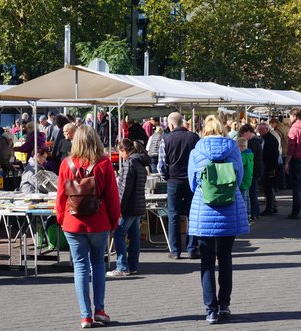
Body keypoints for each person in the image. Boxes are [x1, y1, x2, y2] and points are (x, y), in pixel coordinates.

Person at [56, 125, 120, 328]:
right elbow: (112, 196)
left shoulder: (66, 164)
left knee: (80, 266)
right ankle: (99, 309)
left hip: (73, 222)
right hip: (98, 222)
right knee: (98, 263)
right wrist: (113, 221)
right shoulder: (104, 164)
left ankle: (85, 315)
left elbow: (60, 196)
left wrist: (61, 218)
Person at [188, 115, 248, 324]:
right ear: (222, 129)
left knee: (206, 262)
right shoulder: (233, 149)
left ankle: (210, 309)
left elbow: (192, 183)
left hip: (204, 210)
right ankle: (224, 305)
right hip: (229, 209)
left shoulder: (196, 151)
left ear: (204, 130)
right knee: (225, 258)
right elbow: (239, 178)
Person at [157, 112, 200, 259]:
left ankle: (175, 251)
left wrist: (167, 178)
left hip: (173, 181)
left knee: (173, 215)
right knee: (192, 214)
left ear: (170, 124)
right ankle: (192, 248)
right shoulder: (194, 137)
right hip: (191, 181)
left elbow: (161, 166)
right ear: (182, 123)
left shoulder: (166, 139)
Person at [107, 139, 149, 277]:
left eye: (119, 152)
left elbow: (124, 189)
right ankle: (132, 266)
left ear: (124, 150)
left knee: (119, 234)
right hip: (138, 205)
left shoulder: (129, 163)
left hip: (129, 207)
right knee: (134, 236)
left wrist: (119, 208)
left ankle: (122, 267)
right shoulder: (140, 162)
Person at [237, 124, 263, 219]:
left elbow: (244, 161)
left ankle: (253, 213)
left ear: (248, 132)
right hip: (254, 170)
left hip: (252, 172)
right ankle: (254, 212)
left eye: (243, 133)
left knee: (251, 194)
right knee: (250, 194)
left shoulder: (252, 143)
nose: (242, 135)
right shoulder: (256, 142)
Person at [257, 122, 279, 215]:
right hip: (267, 166)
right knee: (268, 188)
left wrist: (272, 168)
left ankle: (270, 207)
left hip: (269, 166)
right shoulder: (263, 139)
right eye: (258, 129)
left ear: (266, 129)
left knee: (268, 188)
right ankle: (272, 206)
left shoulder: (271, 139)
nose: (259, 131)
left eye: (261, 129)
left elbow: (274, 155)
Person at [237, 137, 253, 219]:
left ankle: (245, 215)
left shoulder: (243, 156)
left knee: (243, 198)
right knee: (247, 197)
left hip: (243, 179)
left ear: (241, 146)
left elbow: (240, 164)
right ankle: (248, 213)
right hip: (248, 178)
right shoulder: (249, 154)